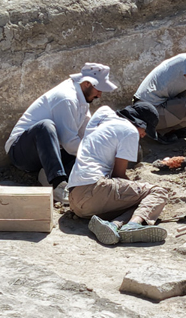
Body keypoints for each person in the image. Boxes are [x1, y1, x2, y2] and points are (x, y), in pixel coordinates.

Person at [5, 63, 117, 203]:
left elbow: (85, 132)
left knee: (86, 161)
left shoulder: (82, 98)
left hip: (50, 153)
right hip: (21, 152)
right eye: (98, 89)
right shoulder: (66, 98)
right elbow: (69, 143)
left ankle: (46, 176)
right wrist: (94, 153)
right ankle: (58, 185)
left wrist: (103, 153)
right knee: (45, 126)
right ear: (87, 83)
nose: (100, 95)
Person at [66, 101, 172, 245]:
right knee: (157, 192)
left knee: (138, 201)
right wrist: (136, 186)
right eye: (146, 130)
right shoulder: (130, 131)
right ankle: (133, 226)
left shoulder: (103, 119)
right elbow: (118, 174)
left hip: (75, 199)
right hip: (95, 189)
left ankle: (113, 225)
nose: (144, 135)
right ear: (141, 124)